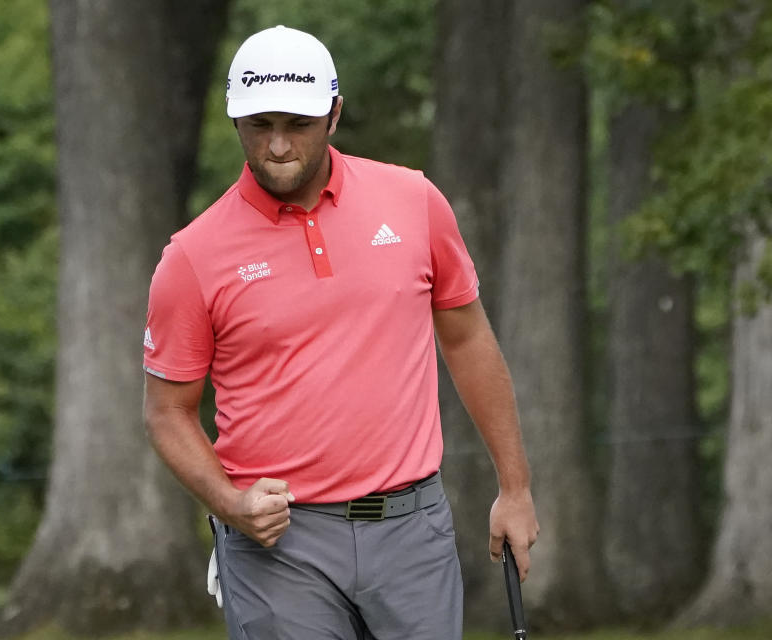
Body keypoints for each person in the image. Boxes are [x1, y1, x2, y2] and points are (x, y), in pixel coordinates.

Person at [142, 25, 538, 640]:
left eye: (297, 124)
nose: (277, 146)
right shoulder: (191, 258)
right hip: (279, 547)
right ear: (235, 120)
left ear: (334, 114)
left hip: (413, 531)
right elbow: (168, 412)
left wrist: (514, 488)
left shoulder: (414, 201)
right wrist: (230, 505)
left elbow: (467, 341)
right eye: (259, 125)